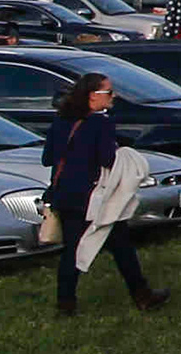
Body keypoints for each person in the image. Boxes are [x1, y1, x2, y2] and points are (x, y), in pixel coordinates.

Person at [42, 76, 166, 317]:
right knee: (119, 246)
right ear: (92, 96)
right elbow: (107, 159)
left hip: (65, 194)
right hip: (93, 197)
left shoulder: (61, 121)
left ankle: (66, 304)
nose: (114, 96)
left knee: (77, 249)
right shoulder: (101, 124)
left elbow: (48, 158)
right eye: (109, 92)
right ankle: (142, 295)